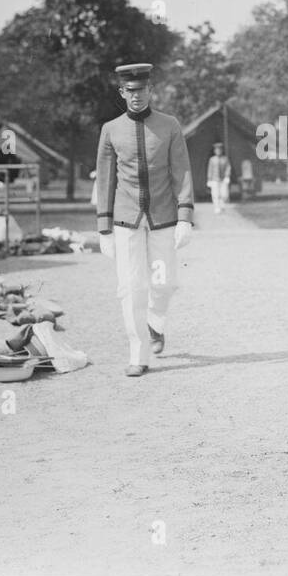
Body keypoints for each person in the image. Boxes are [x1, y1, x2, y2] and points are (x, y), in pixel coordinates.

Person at [95, 63, 195, 377]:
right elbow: (106, 180)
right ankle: (138, 355)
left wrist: (185, 216)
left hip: (163, 217)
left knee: (165, 284)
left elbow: (182, 170)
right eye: (130, 91)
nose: (136, 97)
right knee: (130, 287)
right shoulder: (111, 129)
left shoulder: (169, 125)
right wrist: (104, 227)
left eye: (141, 90)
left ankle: (155, 323)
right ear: (122, 92)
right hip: (126, 221)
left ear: (150, 90)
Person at [206, 142, 232, 214]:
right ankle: (217, 207)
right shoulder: (212, 159)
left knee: (224, 194)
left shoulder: (225, 159)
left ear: (222, 150)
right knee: (215, 194)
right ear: (215, 151)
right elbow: (210, 169)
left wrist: (227, 176)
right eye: (217, 150)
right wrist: (209, 179)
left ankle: (222, 204)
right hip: (214, 179)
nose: (218, 151)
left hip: (223, 179)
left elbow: (228, 167)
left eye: (220, 150)